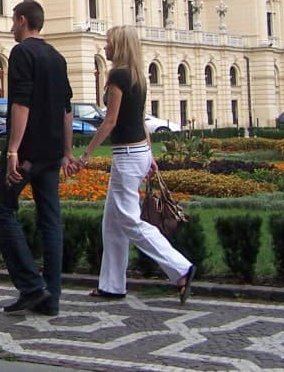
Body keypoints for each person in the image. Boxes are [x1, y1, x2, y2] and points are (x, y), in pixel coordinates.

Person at [72, 25, 195, 303]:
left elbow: (111, 120)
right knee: (112, 224)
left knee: (127, 220)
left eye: (108, 43)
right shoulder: (139, 76)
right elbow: (140, 120)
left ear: (119, 46)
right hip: (138, 152)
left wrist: (87, 154)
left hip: (127, 155)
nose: (105, 47)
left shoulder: (117, 75)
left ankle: (181, 268)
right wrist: (149, 156)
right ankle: (112, 286)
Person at [0, 0, 76, 316]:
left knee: (1, 211)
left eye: (13, 21)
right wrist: (67, 151)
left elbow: (21, 104)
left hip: (27, 153)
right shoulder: (57, 57)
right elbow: (67, 109)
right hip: (52, 152)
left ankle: (32, 286)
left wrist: (13, 150)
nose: (12, 27)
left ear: (23, 20)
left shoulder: (22, 53)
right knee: (51, 220)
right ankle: (51, 298)